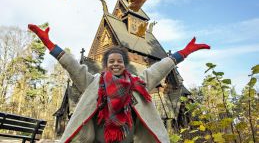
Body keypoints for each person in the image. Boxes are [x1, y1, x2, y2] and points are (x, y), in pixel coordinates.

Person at [28, 24, 210, 143]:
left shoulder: (137, 84)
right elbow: (73, 66)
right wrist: (49, 43)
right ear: (106, 65)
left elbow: (159, 68)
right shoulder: (94, 82)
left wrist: (183, 53)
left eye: (119, 61)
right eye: (111, 61)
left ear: (124, 64)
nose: (115, 63)